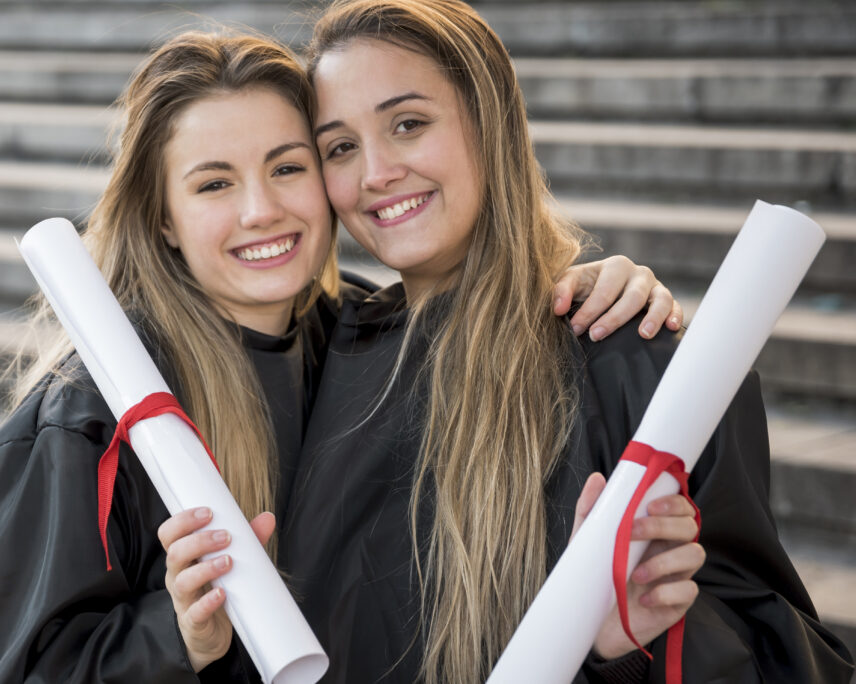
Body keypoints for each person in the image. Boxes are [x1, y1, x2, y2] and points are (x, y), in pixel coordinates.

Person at [0, 29, 681, 683]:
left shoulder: (367, 344)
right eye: (213, 183)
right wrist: (177, 637)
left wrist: (591, 279)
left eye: (290, 166)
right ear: (162, 220)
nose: (261, 210)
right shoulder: (82, 429)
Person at [262, 1, 854, 683]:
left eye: (409, 124)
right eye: (340, 147)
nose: (375, 173)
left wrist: (631, 644)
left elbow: (781, 652)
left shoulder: (641, 364)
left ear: (493, 125)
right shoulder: (323, 352)